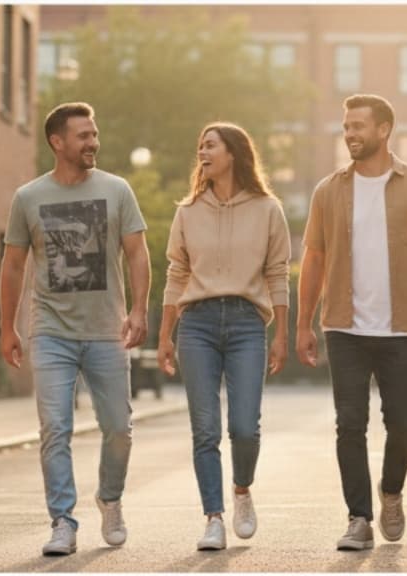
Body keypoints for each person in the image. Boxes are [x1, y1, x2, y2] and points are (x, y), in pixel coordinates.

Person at [297, 94, 407, 551]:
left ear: (383, 130)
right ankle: (359, 518)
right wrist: (303, 323)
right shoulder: (329, 190)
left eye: (358, 126)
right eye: (346, 126)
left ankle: (392, 491)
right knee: (350, 423)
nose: (350, 134)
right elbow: (314, 257)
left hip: (401, 326)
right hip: (344, 327)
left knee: (404, 424)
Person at [0, 102, 151, 556]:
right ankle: (62, 520)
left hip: (107, 330)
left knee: (118, 427)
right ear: (57, 142)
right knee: (55, 428)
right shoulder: (28, 197)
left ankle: (110, 497)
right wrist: (7, 327)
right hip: (50, 331)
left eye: (94, 134)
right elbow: (12, 266)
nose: (93, 143)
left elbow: (138, 254)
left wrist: (140, 310)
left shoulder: (117, 189)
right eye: (83, 136)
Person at [157, 122, 292, 551]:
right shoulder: (188, 210)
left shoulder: (268, 208)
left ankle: (241, 490)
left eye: (210, 145)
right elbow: (177, 274)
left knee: (245, 427)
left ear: (233, 153)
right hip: (195, 323)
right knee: (205, 429)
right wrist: (165, 335)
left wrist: (281, 335)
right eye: (200, 145)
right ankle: (213, 517)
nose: (202, 151)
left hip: (247, 323)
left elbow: (277, 275)